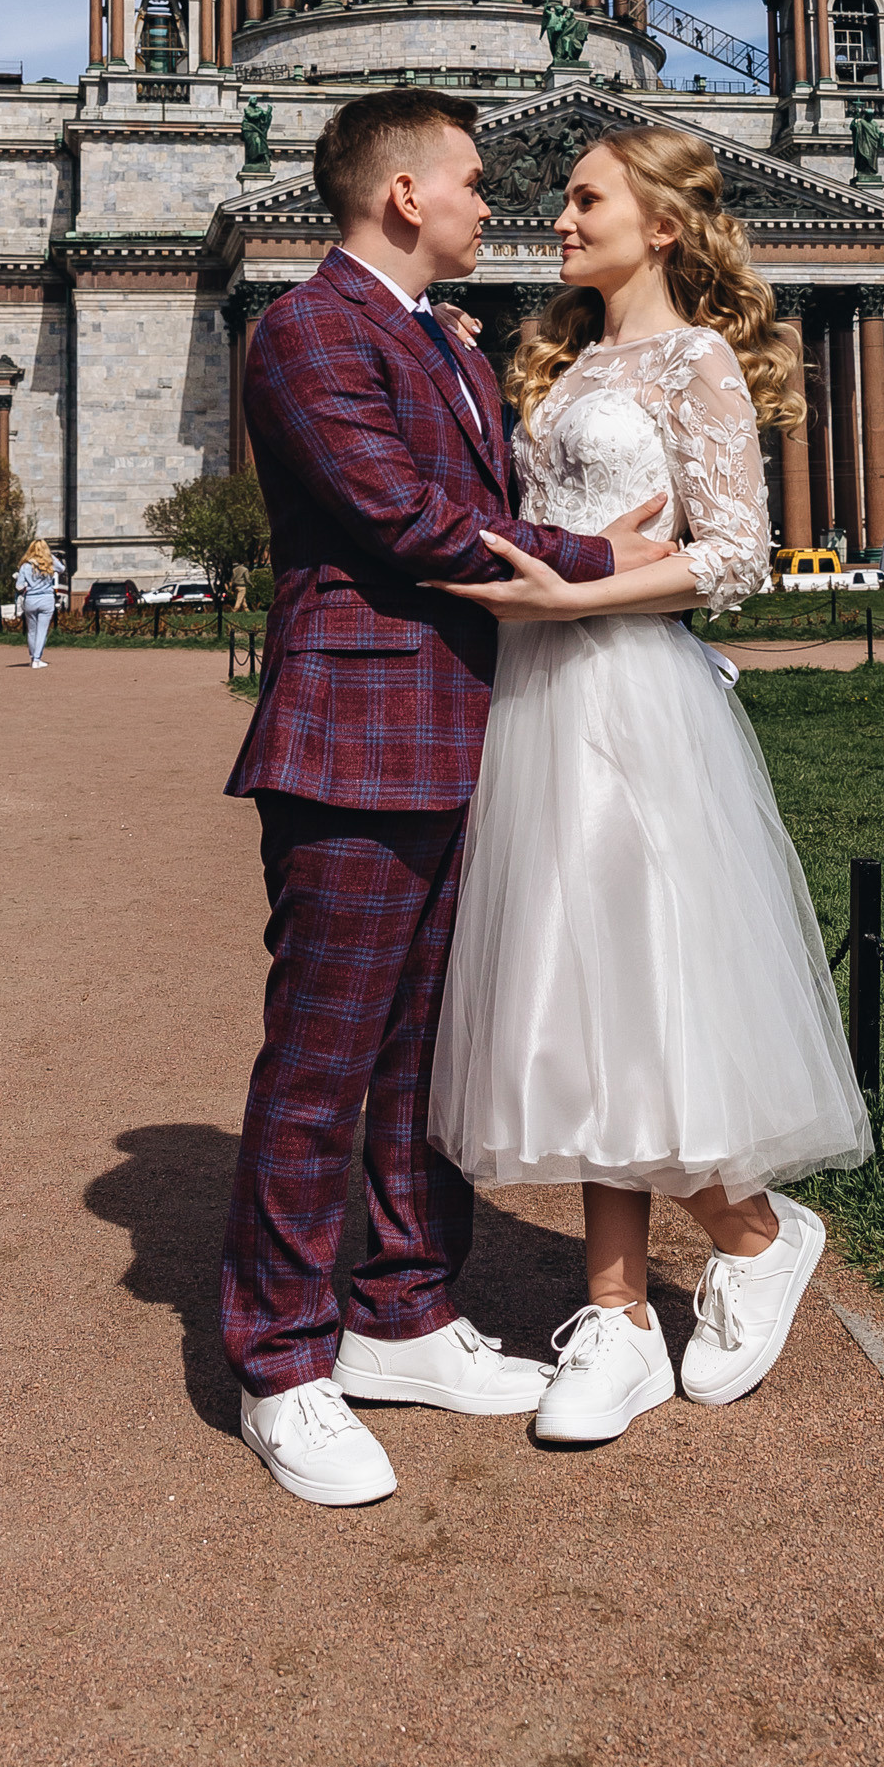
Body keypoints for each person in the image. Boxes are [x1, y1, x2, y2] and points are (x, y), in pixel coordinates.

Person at [220, 89, 676, 1509]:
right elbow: (410, 523)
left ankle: (406, 1312)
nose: (502, 205)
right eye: (477, 183)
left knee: (431, 1061)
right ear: (407, 195)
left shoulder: (440, 340)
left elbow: (457, 476)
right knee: (322, 1069)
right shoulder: (307, 332)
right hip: (357, 738)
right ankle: (283, 1366)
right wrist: (602, 562)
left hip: (477, 734)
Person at [430, 127, 872, 1443]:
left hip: (628, 693)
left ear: (662, 227)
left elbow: (733, 556)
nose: (554, 219)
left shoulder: (697, 361)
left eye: (582, 200)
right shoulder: (557, 366)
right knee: (581, 1001)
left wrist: (574, 592)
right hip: (543, 699)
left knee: (635, 982)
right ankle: (615, 1313)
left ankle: (751, 1230)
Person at [15, 539, 61, 666]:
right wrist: (51, 557)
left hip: (30, 599)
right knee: (42, 630)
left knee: (32, 631)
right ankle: (37, 659)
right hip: (46, 599)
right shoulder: (49, 563)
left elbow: (18, 586)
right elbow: (62, 569)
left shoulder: (25, 566)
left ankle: (32, 657)